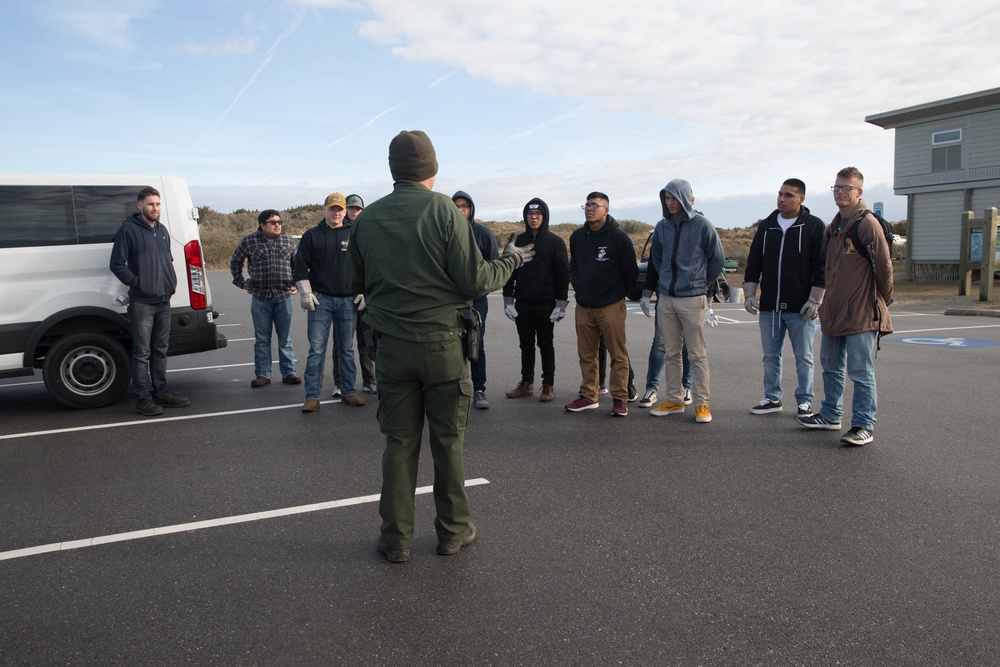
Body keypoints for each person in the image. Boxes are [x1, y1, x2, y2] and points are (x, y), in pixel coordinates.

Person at [347, 130, 534, 564]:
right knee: (447, 442)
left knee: (399, 443)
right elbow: (475, 280)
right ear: (432, 169)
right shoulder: (445, 212)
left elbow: (349, 281)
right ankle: (451, 532)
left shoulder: (368, 218)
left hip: (391, 348)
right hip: (443, 346)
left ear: (393, 168)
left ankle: (396, 538)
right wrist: (511, 260)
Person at [797, 167, 893, 446]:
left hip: (861, 312)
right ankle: (830, 415)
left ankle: (864, 424)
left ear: (859, 192)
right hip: (834, 311)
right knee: (830, 366)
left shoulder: (867, 225)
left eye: (846, 188)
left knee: (861, 372)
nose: (840, 192)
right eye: (837, 187)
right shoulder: (833, 227)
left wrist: (880, 302)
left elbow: (884, 269)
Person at [742, 179, 826, 417]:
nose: (782, 199)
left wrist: (815, 300)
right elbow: (754, 262)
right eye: (780, 194)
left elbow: (822, 266)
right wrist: (750, 294)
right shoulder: (767, 226)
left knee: (804, 356)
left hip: (801, 308)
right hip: (770, 306)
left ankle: (804, 401)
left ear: (801, 199)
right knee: (770, 355)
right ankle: (772, 398)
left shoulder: (813, 226)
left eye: (788, 195)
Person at [644, 179, 724, 423]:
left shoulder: (702, 225)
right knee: (671, 353)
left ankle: (702, 404)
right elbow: (656, 258)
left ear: (688, 198)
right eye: (666, 198)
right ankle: (675, 400)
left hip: (693, 299)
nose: (670, 203)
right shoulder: (661, 227)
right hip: (666, 299)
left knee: (697, 354)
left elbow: (717, 259)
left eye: (674, 198)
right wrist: (662, 283)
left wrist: (700, 284)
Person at [109, 187, 190, 416]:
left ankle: (161, 393)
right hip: (142, 302)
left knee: (160, 350)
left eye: (157, 204)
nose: (155, 208)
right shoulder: (128, 229)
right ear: (139, 206)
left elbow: (167, 261)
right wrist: (137, 283)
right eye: (150, 204)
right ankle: (143, 398)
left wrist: (168, 283)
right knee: (141, 353)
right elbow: (117, 263)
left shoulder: (162, 230)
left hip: (164, 300)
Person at [565, 192, 638, 417]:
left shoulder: (619, 238)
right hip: (584, 306)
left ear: (606, 210)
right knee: (587, 353)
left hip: (611, 306)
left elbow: (631, 273)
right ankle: (589, 396)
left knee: (618, 353)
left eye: (594, 205)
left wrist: (615, 295)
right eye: (586, 205)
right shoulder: (577, 237)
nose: (589, 208)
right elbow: (574, 267)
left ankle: (620, 398)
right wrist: (581, 289)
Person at [294, 192, 366, 412]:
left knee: (346, 349)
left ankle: (348, 391)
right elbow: (299, 266)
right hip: (320, 300)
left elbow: (365, 263)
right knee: (316, 349)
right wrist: (305, 292)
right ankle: (312, 396)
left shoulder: (354, 234)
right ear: (324, 210)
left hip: (348, 301)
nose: (336, 213)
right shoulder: (311, 236)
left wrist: (364, 291)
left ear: (345, 212)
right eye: (332, 209)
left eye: (340, 209)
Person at [502, 197, 570, 403]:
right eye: (530, 214)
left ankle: (548, 385)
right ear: (525, 216)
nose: (533, 217)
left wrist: (561, 304)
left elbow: (562, 275)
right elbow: (509, 272)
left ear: (544, 216)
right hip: (523, 303)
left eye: (538, 214)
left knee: (546, 345)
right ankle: (526, 383)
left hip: (546, 304)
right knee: (526, 345)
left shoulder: (555, 243)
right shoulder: (517, 242)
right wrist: (508, 300)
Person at [229, 209, 301, 388]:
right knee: (262, 338)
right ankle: (262, 374)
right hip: (261, 297)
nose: (277, 225)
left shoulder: (287, 240)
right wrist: (240, 281)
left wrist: (296, 284)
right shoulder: (250, 240)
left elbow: (297, 264)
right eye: (273, 222)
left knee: (285, 338)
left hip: (283, 296)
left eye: (279, 222)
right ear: (262, 225)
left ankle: (289, 372)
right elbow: (235, 261)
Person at [453, 190, 499, 409]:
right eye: (456, 206)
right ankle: (453, 389)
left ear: (471, 209)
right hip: (451, 301)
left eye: (464, 206)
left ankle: (479, 389)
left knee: (475, 344)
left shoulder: (483, 233)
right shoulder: (445, 232)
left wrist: (481, 288)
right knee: (450, 345)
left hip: (477, 300)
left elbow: (494, 266)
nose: (460, 210)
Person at [331, 194, 376, 396]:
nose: (354, 212)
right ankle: (340, 383)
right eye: (351, 208)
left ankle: (369, 381)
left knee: (366, 341)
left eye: (358, 209)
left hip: (364, 297)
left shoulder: (369, 230)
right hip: (342, 297)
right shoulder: (338, 231)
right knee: (341, 343)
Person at [636, 259, 693, 408]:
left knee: (687, 343)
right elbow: (653, 267)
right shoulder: (661, 236)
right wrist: (646, 295)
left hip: (689, 293)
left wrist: (709, 298)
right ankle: (651, 389)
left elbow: (709, 262)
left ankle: (686, 387)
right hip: (665, 293)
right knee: (659, 342)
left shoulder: (695, 234)